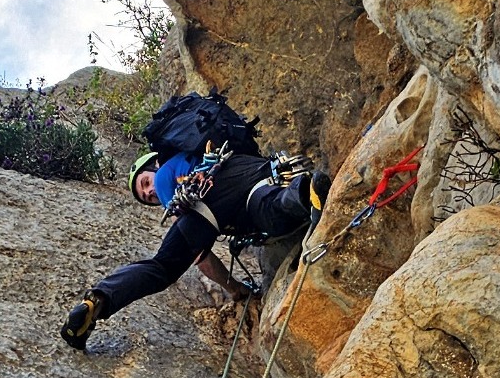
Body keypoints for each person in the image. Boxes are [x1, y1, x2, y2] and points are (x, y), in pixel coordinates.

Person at [60, 150, 331, 350]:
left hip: (208, 196)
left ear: (154, 164)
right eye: (146, 197)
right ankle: (303, 193)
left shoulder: (165, 174)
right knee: (268, 209)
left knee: (163, 267)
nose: (151, 192)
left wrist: (235, 288)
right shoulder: (202, 152)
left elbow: (200, 256)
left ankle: (100, 299)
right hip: (255, 176)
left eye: (145, 183)